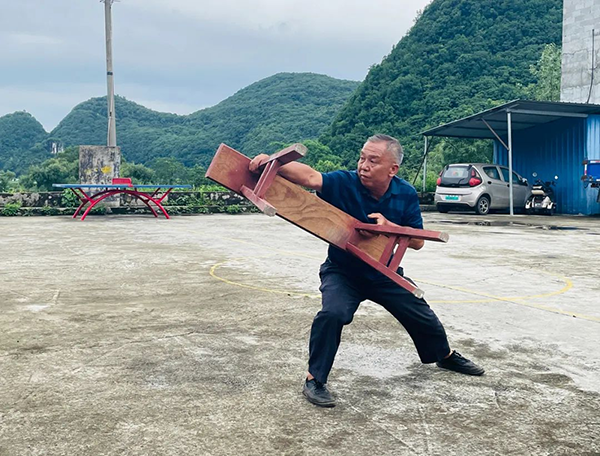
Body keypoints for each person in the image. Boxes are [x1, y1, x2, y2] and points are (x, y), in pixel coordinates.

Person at [249, 134, 484, 408]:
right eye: (362, 158)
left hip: (382, 271)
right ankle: (314, 379)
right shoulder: (345, 182)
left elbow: (418, 242)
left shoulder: (405, 193)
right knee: (333, 314)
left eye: (373, 160)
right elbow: (311, 177)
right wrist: (272, 163)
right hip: (343, 270)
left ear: (392, 169)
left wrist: (390, 227)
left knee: (420, 311)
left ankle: (444, 356)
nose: (364, 165)